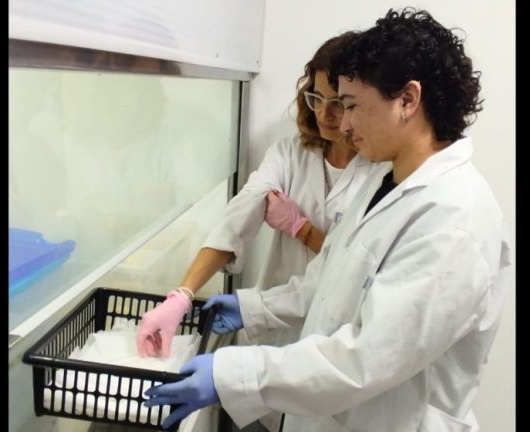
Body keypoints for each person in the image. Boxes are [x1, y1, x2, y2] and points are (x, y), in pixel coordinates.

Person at [143, 7, 513, 432]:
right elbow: (327, 282)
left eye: (352, 105)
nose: (344, 123)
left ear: (408, 99)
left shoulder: (454, 219)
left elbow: (367, 358)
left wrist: (234, 373)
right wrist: (252, 307)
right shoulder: (383, 180)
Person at [136, 31, 375, 358]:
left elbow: (356, 265)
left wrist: (303, 231)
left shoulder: (379, 171)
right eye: (317, 98)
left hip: (336, 335)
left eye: (337, 103)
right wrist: (182, 294)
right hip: (275, 331)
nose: (324, 114)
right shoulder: (291, 154)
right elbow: (238, 217)